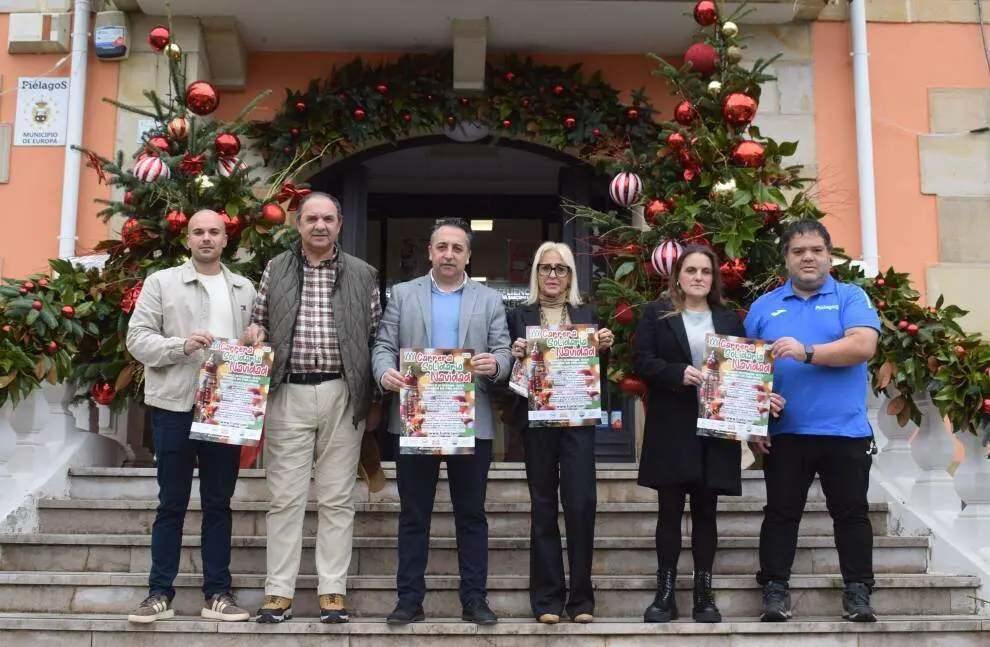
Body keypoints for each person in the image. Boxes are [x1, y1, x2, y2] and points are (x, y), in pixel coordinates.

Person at [241, 192, 382, 624]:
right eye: (311, 219)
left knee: (338, 499)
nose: (320, 225)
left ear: (340, 224)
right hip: (288, 391)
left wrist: (373, 398)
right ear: (298, 224)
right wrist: (253, 333)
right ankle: (278, 593)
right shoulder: (275, 269)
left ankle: (332, 593)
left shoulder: (363, 274)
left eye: (328, 219)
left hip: (343, 394)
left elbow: (377, 339)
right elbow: (260, 321)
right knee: (285, 499)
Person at [633, 245, 785, 623]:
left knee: (706, 511)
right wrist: (675, 373)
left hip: (717, 426)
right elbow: (642, 361)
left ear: (714, 278)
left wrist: (761, 399)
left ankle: (704, 593)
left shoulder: (729, 319)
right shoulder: (657, 314)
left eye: (705, 271)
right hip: (671, 423)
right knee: (669, 511)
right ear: (678, 276)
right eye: (691, 270)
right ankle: (664, 594)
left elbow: (744, 368)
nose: (698, 277)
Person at [373, 217, 512, 626]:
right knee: (414, 515)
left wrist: (496, 364)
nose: (449, 254)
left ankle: (475, 600)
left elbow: (505, 353)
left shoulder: (489, 299)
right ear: (430, 252)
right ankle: (409, 600)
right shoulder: (402, 294)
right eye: (442, 247)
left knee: (471, 514)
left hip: (471, 421)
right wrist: (385, 373)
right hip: (416, 420)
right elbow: (383, 345)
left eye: (457, 248)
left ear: (468, 255)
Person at [744, 219, 880, 623]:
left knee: (852, 514)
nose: (808, 257)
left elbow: (863, 344)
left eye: (816, 250)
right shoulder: (763, 307)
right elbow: (746, 371)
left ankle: (858, 592)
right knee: (780, 514)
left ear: (829, 255)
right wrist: (754, 426)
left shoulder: (850, 297)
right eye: (798, 251)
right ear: (786, 258)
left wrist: (806, 351)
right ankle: (774, 590)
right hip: (786, 433)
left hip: (845, 431)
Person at [125, 209, 257, 623]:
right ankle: (158, 593)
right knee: (172, 503)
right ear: (187, 239)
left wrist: (255, 339)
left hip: (227, 407)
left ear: (225, 239)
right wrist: (180, 345)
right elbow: (137, 340)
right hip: (174, 405)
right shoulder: (161, 282)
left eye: (214, 231)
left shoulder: (243, 288)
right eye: (198, 231)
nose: (205, 238)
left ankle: (217, 594)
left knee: (219, 503)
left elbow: (254, 345)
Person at [505, 242, 614, 624]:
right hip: (537, 422)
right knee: (543, 507)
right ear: (536, 274)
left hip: (577, 423)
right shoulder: (518, 316)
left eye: (561, 268)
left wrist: (602, 349)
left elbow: (598, 377)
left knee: (582, 504)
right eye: (546, 268)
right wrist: (514, 351)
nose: (553, 275)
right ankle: (547, 599)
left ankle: (582, 600)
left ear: (571, 276)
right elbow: (507, 374)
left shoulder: (588, 316)